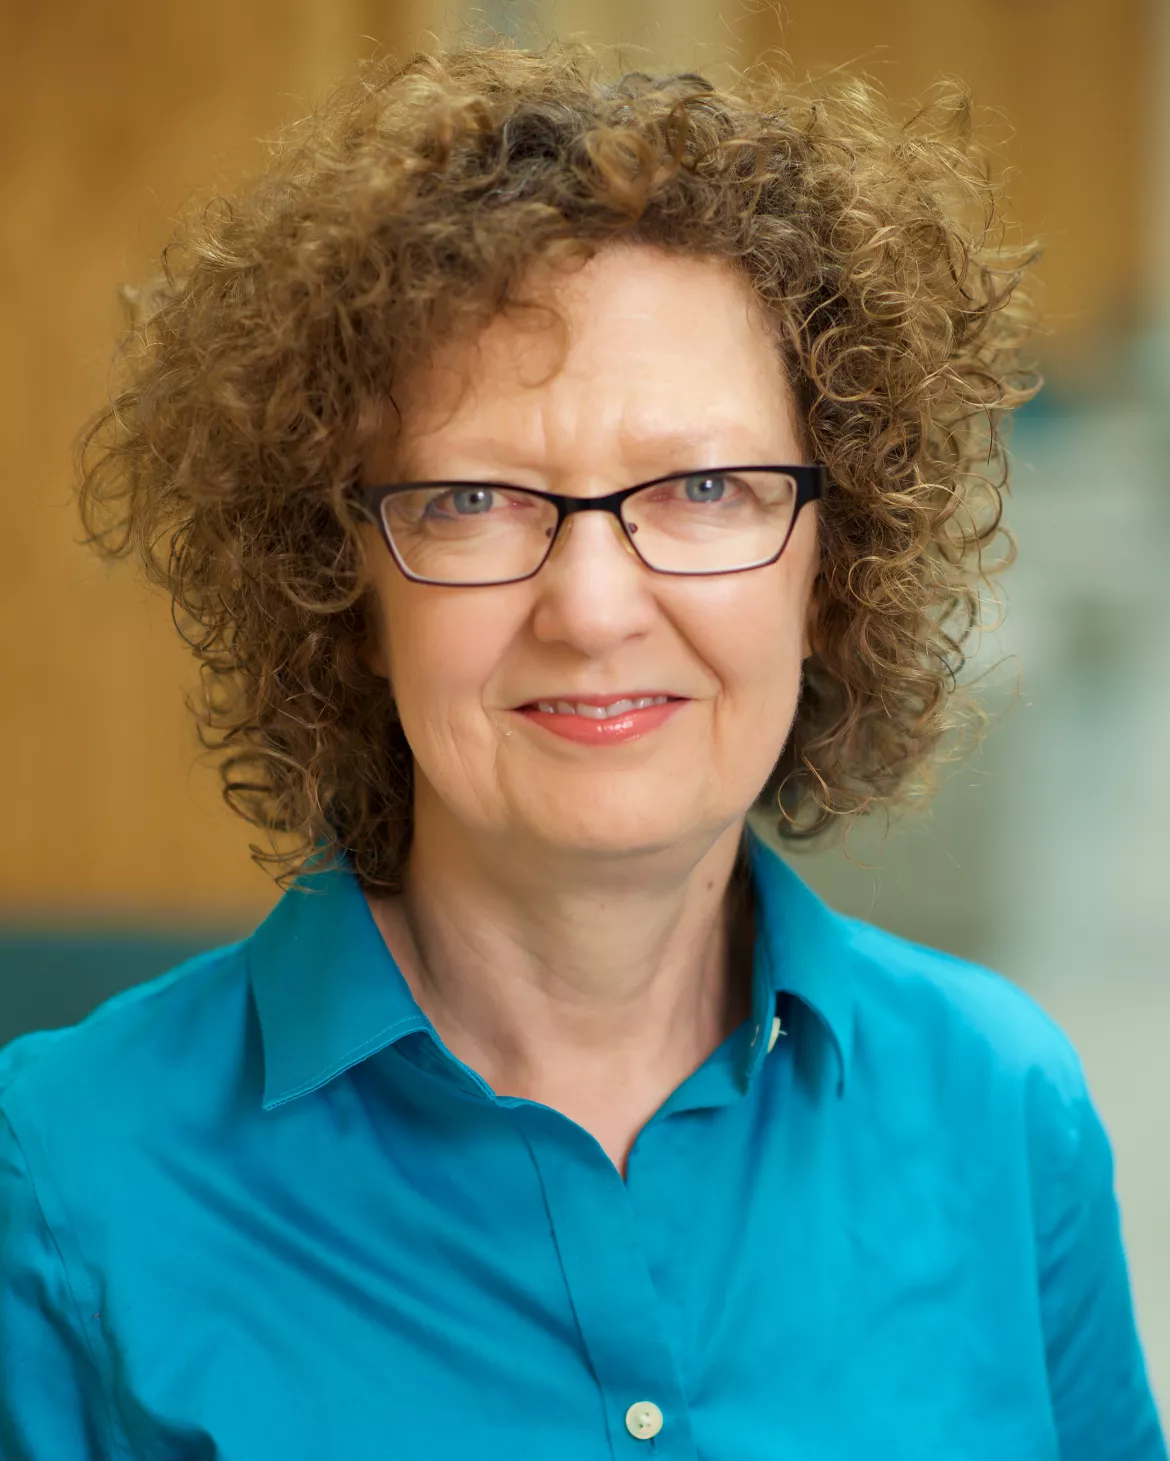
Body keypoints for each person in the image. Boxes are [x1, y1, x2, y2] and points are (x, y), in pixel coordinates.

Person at [0, 40, 1164, 1461]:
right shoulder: (59, 1172)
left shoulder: (999, 1107)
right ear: (342, 587)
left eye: (708, 487)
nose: (595, 607)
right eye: (475, 498)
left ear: (829, 570)